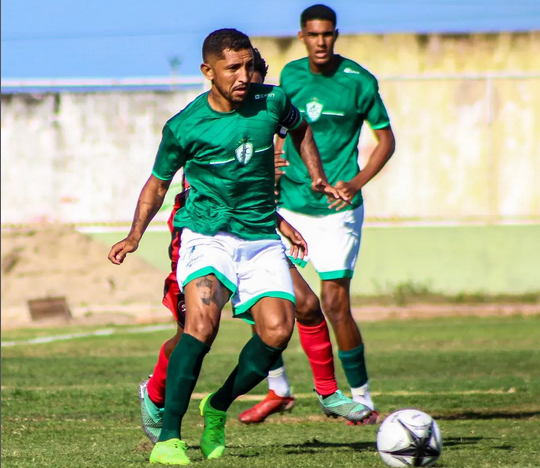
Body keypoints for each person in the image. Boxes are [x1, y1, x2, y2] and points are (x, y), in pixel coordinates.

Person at [109, 29, 348, 465]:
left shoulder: (272, 102)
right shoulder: (185, 126)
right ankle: (168, 439)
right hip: (206, 234)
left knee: (278, 331)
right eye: (232, 68)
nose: (243, 76)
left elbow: (301, 128)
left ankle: (217, 405)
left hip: (259, 238)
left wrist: (317, 176)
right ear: (208, 71)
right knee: (200, 326)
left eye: (247, 66)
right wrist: (134, 235)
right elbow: (157, 184)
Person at [243, 4, 396, 425]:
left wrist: (357, 182)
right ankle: (278, 390)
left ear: (335, 35)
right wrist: (273, 163)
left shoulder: (359, 81)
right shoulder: (290, 76)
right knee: (264, 296)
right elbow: (281, 126)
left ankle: (361, 398)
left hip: (336, 208)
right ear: (302, 37)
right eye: (313, 35)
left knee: (333, 303)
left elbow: (386, 140)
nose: (321, 41)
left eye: (327, 34)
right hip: (289, 206)